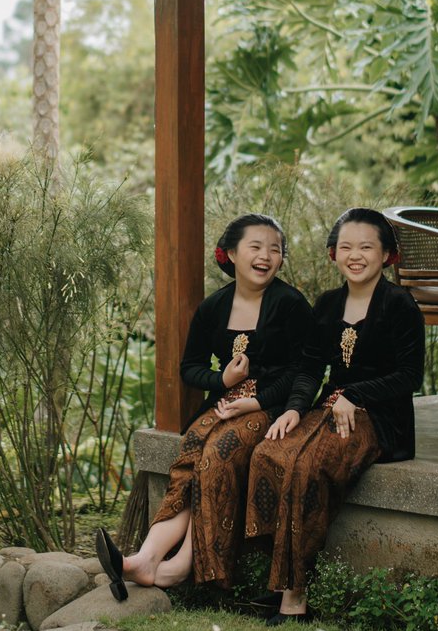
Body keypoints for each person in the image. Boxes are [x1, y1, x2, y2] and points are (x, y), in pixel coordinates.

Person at [96, 213, 313, 600]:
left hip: (274, 404)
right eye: (255, 247)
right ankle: (147, 558)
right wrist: (224, 382)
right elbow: (190, 368)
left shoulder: (291, 304)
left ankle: (187, 569)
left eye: (275, 249)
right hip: (228, 402)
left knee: (217, 454)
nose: (266, 256)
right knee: (190, 453)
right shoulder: (213, 307)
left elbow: (303, 370)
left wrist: (257, 400)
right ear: (231, 253)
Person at [245, 207, 425, 623]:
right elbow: (310, 367)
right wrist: (293, 409)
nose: (355, 255)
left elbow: (409, 376)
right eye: (346, 246)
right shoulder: (327, 305)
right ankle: (277, 577)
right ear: (333, 254)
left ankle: (295, 597)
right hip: (331, 408)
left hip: (382, 418)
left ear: (387, 256)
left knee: (307, 465)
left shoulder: (400, 304)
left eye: (366, 246)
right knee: (270, 453)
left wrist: (355, 395)